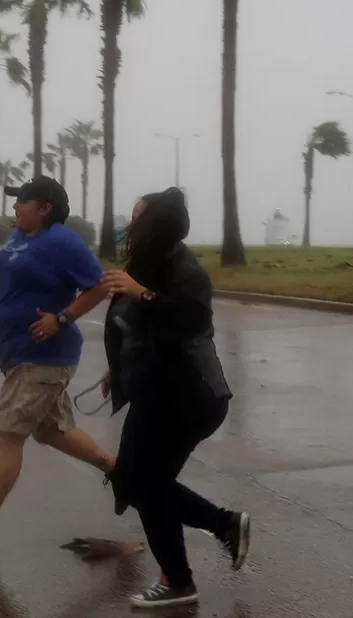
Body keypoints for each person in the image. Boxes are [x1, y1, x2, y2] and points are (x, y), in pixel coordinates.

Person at [0, 177, 117, 547]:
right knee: (51, 431)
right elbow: (20, 277)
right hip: (18, 354)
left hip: (43, 356)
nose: (16, 206)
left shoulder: (63, 242)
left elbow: (99, 285)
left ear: (45, 208)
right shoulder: (19, 237)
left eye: (22, 201)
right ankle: (120, 472)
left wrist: (61, 318)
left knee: (9, 431)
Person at [99, 188, 248, 609]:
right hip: (156, 392)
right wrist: (120, 368)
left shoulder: (182, 268)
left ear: (157, 224)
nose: (131, 226)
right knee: (139, 481)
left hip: (188, 397)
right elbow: (137, 330)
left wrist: (141, 293)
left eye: (138, 218)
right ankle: (221, 529)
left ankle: (181, 577)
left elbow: (190, 319)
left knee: (144, 484)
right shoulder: (145, 264)